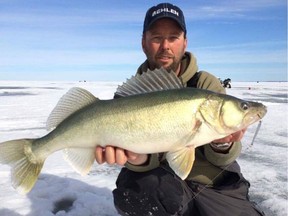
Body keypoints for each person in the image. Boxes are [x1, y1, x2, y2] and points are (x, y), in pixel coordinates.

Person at [95, 3, 265, 216]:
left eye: (173, 37)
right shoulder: (129, 97)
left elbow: (223, 160)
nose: (165, 45)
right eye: (156, 38)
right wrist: (137, 159)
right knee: (140, 188)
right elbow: (140, 163)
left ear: (184, 43)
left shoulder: (205, 84)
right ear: (143, 43)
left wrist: (223, 144)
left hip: (214, 187)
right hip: (162, 189)